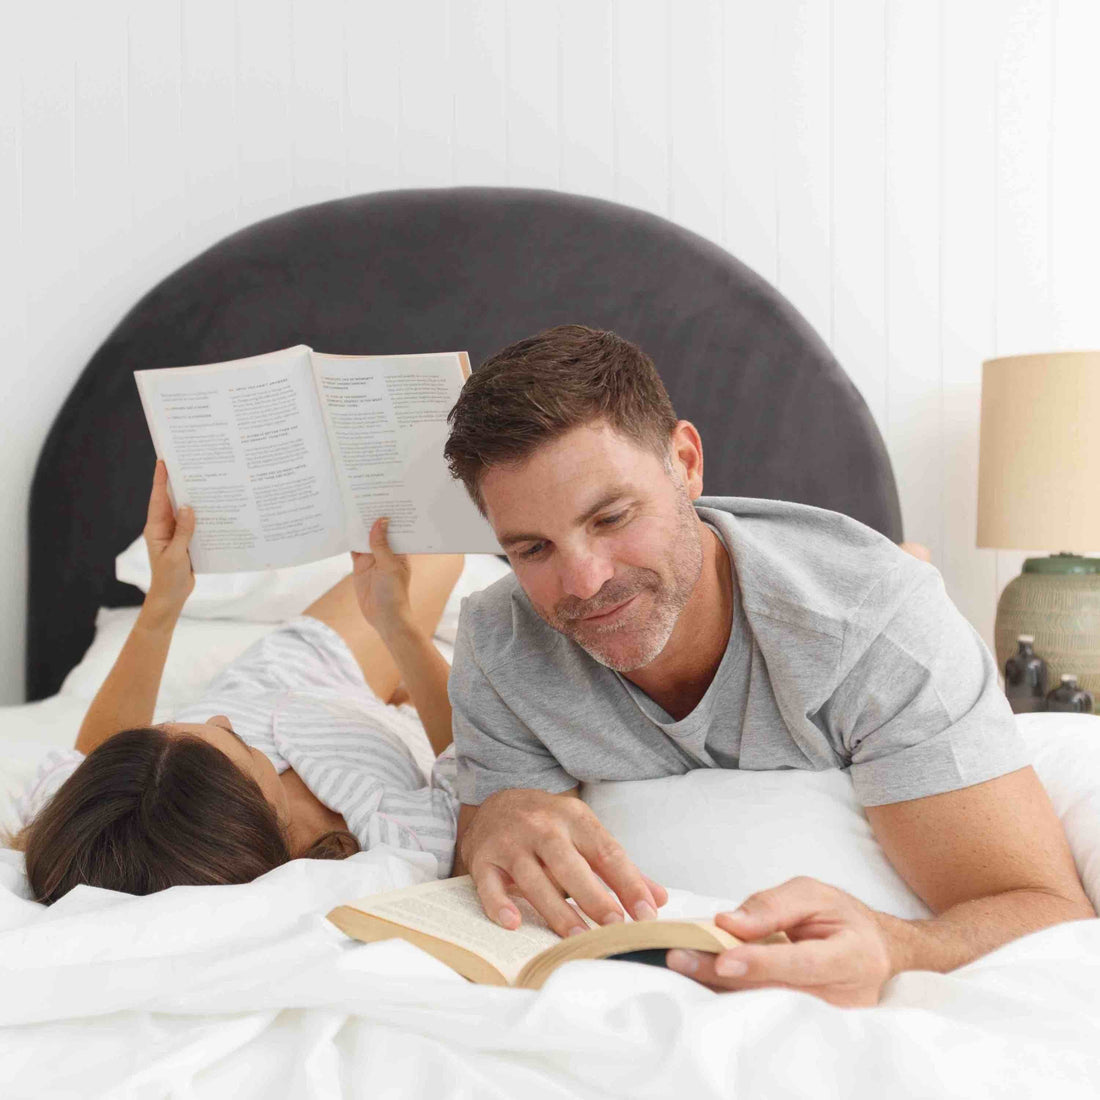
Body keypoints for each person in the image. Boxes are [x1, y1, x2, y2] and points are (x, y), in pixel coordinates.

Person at [442, 324, 1095, 1007]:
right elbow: (483, 882)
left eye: (610, 518)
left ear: (686, 462)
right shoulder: (499, 641)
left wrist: (900, 946)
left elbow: (1047, 910)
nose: (582, 582)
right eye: (533, 549)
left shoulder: (874, 625)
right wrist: (493, 821)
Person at [12, 462, 463, 903]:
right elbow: (469, 771)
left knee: (429, 552)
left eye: (168, 725)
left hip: (278, 678)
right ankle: (403, 691)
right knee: (436, 543)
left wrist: (163, 600)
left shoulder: (100, 824)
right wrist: (397, 627)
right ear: (260, 815)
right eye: (238, 741)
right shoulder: (386, 833)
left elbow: (92, 756)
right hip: (374, 731)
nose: (219, 716)